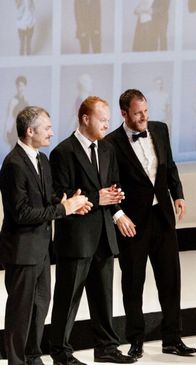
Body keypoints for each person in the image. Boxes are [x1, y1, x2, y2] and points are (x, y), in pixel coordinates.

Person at [105, 89, 196, 359]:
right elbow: (108, 183)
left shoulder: (160, 129)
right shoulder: (111, 143)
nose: (144, 117)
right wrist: (117, 214)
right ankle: (136, 339)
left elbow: (169, 166)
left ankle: (172, 338)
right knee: (133, 283)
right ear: (124, 114)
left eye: (145, 111)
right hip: (133, 223)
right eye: (137, 113)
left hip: (162, 217)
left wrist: (177, 194)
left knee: (170, 280)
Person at [0, 106, 92, 365]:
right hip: (22, 250)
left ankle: (33, 356)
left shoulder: (42, 159)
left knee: (40, 306)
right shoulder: (13, 164)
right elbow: (21, 214)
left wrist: (69, 202)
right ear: (30, 131)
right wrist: (63, 209)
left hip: (41, 248)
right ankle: (17, 361)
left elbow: (47, 198)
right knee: (20, 313)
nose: (52, 133)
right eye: (47, 128)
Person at [48, 96, 135, 365]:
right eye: (102, 119)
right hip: (76, 238)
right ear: (85, 119)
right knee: (68, 298)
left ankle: (106, 347)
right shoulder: (63, 152)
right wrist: (97, 197)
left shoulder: (107, 149)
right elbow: (60, 195)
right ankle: (61, 352)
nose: (107, 124)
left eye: (109, 119)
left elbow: (112, 184)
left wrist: (116, 197)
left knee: (103, 297)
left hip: (103, 236)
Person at [4, 76, 29, 149]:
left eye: (22, 86)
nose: (20, 88)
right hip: (14, 131)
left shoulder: (26, 101)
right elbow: (9, 117)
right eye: (19, 85)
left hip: (24, 131)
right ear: (16, 87)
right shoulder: (13, 101)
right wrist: (6, 132)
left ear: (25, 87)